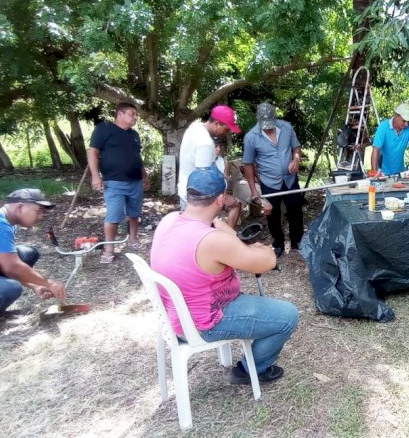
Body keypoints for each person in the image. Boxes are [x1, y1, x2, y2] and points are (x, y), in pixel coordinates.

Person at [151, 166, 299, 384]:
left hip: (177, 317)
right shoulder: (211, 240)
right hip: (205, 323)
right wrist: (258, 247)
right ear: (221, 199)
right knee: (288, 316)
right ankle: (250, 370)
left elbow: (217, 224)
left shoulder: (170, 220)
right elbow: (267, 261)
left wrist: (225, 230)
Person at [0, 189, 66, 339]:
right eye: (39, 210)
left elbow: (7, 265)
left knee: (27, 254)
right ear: (19, 207)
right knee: (10, 288)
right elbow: (11, 266)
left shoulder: (7, 222)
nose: (41, 216)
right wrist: (48, 283)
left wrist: (34, 285)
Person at [87, 102, 150, 263]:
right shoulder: (104, 128)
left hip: (135, 181)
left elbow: (137, 158)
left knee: (134, 213)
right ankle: (109, 249)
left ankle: (133, 239)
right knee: (114, 215)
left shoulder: (134, 135)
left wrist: (144, 175)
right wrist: (95, 176)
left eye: (136, 115)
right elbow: (93, 152)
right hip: (114, 182)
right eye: (131, 114)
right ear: (120, 114)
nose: (135, 118)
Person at [243, 102, 304, 258]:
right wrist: (254, 191)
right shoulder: (251, 137)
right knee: (272, 214)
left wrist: (296, 160)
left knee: (295, 211)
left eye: (271, 123)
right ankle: (278, 244)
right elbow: (248, 164)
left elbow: (296, 148)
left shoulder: (286, 127)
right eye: (265, 125)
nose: (269, 127)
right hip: (269, 182)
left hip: (290, 180)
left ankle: (297, 242)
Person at [177, 105, 241, 210]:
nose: (227, 132)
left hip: (188, 193)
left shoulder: (194, 128)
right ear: (216, 124)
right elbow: (204, 180)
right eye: (226, 129)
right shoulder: (205, 143)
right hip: (198, 201)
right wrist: (224, 198)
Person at [370, 103, 409, 176]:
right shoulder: (383, 127)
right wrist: (374, 172)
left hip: (400, 173)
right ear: (396, 116)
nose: (407, 124)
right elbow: (376, 149)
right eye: (404, 121)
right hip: (382, 173)